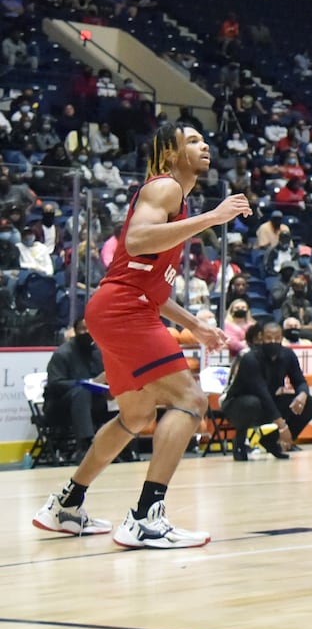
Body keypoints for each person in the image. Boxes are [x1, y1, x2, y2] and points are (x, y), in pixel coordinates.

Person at [33, 122, 251, 547]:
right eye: (191, 140)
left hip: (118, 306)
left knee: (135, 416)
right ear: (169, 154)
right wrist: (214, 217)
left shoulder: (176, 201)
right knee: (190, 400)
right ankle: (146, 517)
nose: (203, 145)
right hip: (124, 309)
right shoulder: (166, 187)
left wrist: (195, 325)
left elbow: (151, 285)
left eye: (203, 140)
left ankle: (65, 505)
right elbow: (135, 240)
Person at [220, 322, 312, 460]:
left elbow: (300, 381)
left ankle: (271, 441)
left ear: (282, 339)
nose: (273, 342)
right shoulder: (250, 358)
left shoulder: (288, 355)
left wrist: (302, 394)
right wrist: (283, 427)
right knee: (252, 403)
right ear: (261, 338)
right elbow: (262, 394)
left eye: (277, 338)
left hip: (267, 406)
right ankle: (240, 439)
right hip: (238, 406)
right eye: (269, 338)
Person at [44, 318, 109, 457]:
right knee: (82, 391)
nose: (87, 332)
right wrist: (85, 383)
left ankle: (126, 446)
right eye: (83, 329)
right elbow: (54, 384)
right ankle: (86, 445)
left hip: (93, 403)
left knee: (122, 393)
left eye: (90, 329)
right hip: (60, 405)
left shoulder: (98, 353)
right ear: (75, 331)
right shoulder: (62, 354)